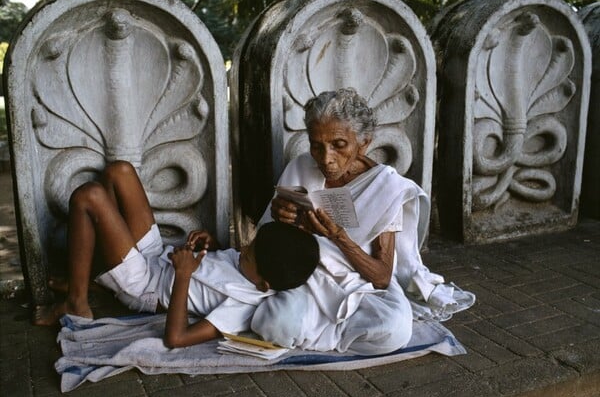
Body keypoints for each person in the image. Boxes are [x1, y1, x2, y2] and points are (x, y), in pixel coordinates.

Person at [251, 88, 474, 355]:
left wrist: (340, 238)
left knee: (394, 328)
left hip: (360, 284)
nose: (326, 159)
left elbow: (380, 277)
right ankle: (322, 331)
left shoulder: (387, 187)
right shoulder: (301, 167)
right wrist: (279, 216)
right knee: (276, 325)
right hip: (305, 275)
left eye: (339, 145)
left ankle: (317, 333)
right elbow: (265, 244)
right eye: (316, 145)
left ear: (364, 143)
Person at [34, 161, 319, 348]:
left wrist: (183, 276)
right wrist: (215, 244)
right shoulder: (255, 267)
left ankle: (77, 300)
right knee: (119, 172)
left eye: (249, 255)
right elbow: (227, 266)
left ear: (263, 286)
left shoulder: (242, 308)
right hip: (158, 257)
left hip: (143, 285)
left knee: (89, 195)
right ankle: (92, 276)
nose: (243, 249)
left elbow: (176, 338)